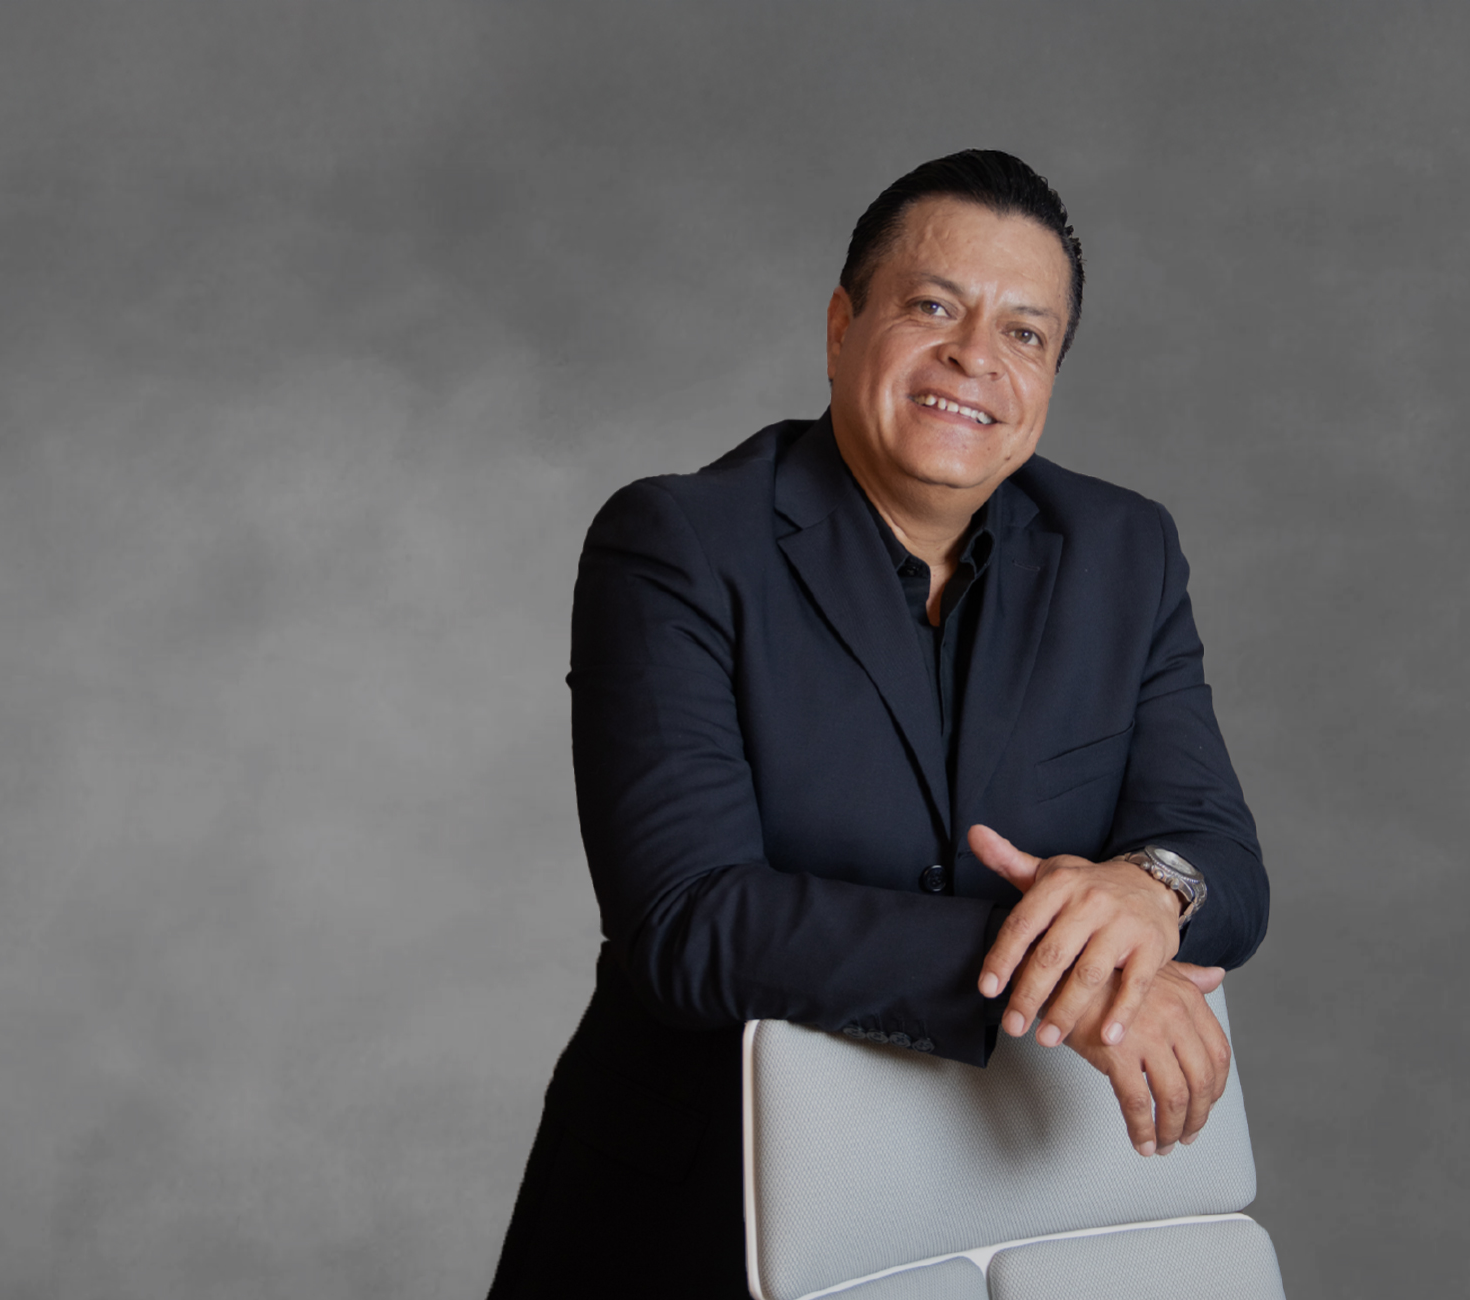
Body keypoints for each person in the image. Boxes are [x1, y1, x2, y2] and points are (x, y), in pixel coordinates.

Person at [487, 150, 1268, 1297]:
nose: (973, 356)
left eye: (1023, 333)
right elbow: (687, 919)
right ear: (840, 327)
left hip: (1015, 1200)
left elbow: (1220, 859)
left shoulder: (1122, 551)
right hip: (694, 1217)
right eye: (933, 307)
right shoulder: (676, 545)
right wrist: (1065, 964)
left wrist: (1146, 890)